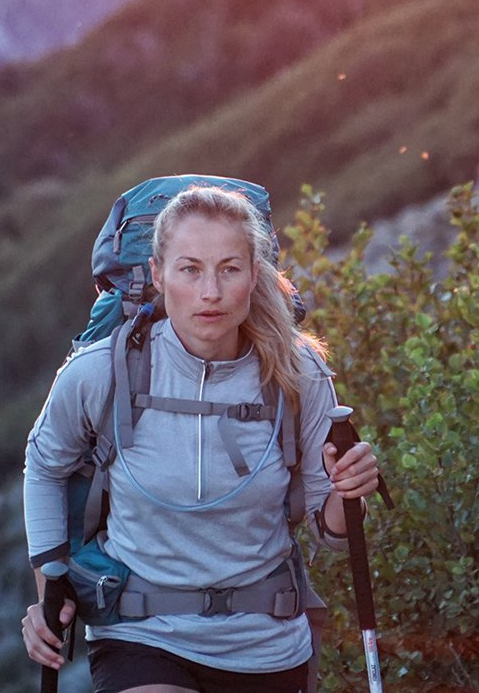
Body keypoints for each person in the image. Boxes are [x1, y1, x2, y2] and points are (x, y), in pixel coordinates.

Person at [21, 184, 381, 693]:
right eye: (190, 269)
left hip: (268, 642)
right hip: (140, 635)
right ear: (158, 275)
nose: (210, 292)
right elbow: (44, 465)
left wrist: (350, 493)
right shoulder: (102, 371)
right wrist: (49, 584)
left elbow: (333, 531)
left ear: (255, 276)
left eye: (229, 269)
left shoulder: (300, 375)